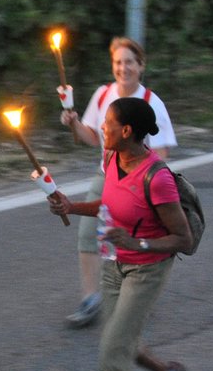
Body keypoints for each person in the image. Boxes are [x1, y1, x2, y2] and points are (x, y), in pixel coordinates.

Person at [46, 96, 193, 371]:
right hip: (114, 264)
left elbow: (183, 239)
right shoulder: (112, 159)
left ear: (126, 131)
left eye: (108, 123)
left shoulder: (157, 178)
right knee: (121, 340)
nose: (102, 129)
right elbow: (110, 205)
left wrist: (136, 242)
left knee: (112, 349)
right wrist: (71, 207)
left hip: (147, 268)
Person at [60, 37, 177, 327]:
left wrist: (146, 188)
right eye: (117, 62)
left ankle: (137, 297)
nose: (123, 68)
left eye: (129, 62)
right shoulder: (103, 95)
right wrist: (73, 123)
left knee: (131, 242)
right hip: (107, 176)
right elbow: (91, 137)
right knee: (89, 233)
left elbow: (161, 154)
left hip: (140, 182)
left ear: (140, 66)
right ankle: (91, 300)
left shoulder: (151, 103)